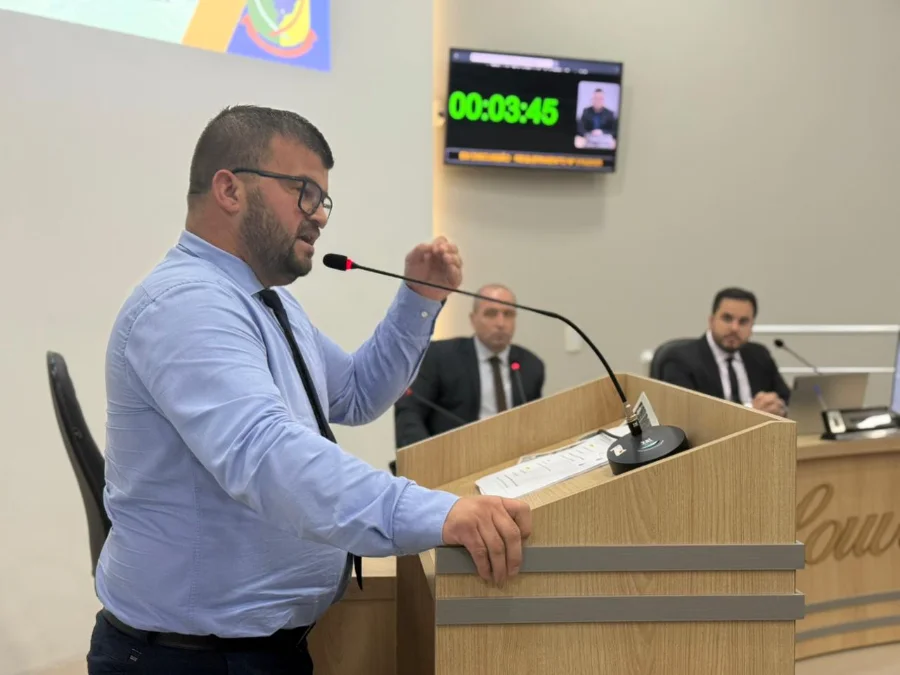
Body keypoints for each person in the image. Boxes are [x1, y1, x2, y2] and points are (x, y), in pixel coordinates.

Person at [87, 105, 531, 674]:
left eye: (323, 198)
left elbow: (354, 393)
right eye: (303, 191)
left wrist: (419, 298)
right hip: (187, 659)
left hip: (259, 649)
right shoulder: (187, 306)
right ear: (229, 189)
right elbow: (270, 457)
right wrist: (439, 513)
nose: (319, 215)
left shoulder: (265, 301)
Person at [393, 284, 545, 451]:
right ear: (473, 319)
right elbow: (410, 412)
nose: (501, 323)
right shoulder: (439, 357)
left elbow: (534, 425)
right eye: (491, 313)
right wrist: (425, 457)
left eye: (508, 314)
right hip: (456, 458)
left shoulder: (531, 366)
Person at [657, 287, 789, 416]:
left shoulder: (759, 354)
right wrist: (751, 413)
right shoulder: (680, 359)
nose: (734, 328)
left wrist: (779, 407)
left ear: (752, 326)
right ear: (711, 320)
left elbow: (787, 399)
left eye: (743, 321)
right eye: (727, 318)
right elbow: (686, 415)